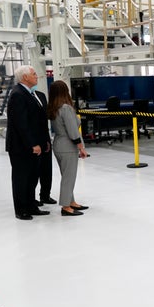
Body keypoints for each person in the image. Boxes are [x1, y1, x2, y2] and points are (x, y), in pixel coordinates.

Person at [5, 65, 51, 220]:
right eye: (34, 74)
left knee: (32, 177)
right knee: (21, 178)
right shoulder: (18, 94)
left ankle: (31, 205)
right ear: (25, 77)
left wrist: (43, 141)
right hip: (21, 147)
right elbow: (21, 124)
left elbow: (36, 122)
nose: (37, 76)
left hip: (33, 145)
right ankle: (21, 209)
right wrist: (33, 144)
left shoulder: (30, 94)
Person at [46, 80, 89, 216]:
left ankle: (71, 201)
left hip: (58, 144)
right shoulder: (66, 108)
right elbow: (72, 131)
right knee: (69, 177)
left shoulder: (54, 107)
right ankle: (65, 206)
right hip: (68, 145)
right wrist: (81, 147)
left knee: (67, 175)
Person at [35, 88, 57, 206]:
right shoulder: (23, 96)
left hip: (44, 136)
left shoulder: (41, 95)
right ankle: (31, 198)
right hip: (33, 139)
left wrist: (46, 139)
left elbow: (45, 117)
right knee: (34, 172)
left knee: (46, 169)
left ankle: (45, 195)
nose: (36, 77)